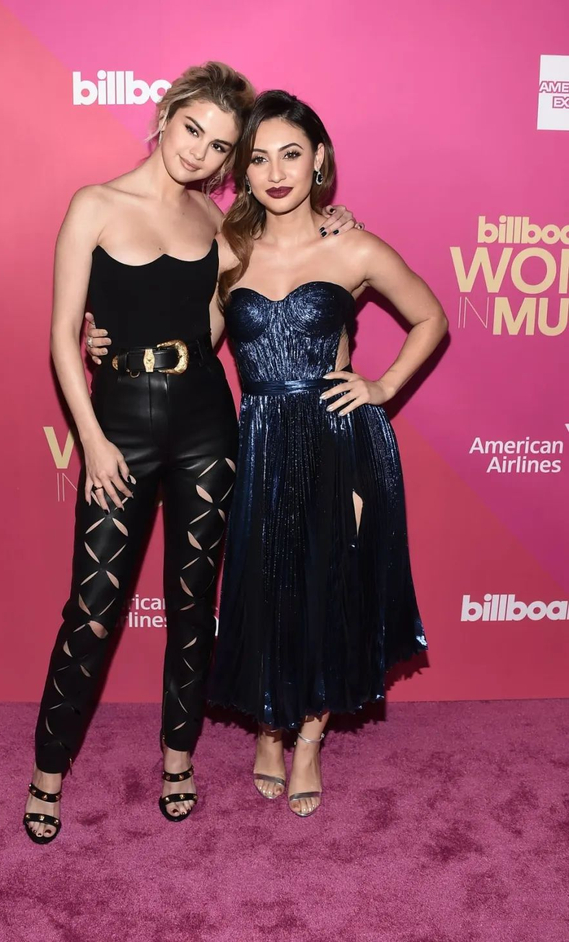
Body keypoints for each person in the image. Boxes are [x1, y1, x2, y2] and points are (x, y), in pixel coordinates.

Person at [86, 90, 446, 820]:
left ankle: (309, 736)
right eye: (257, 158)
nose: (275, 173)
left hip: (337, 438)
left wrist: (380, 387)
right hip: (257, 442)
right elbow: (189, 336)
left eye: (291, 155)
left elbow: (431, 317)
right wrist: (106, 338)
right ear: (242, 171)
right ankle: (269, 728)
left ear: (319, 161)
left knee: (328, 586)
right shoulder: (230, 248)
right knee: (267, 586)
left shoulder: (354, 247)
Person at [24, 64, 356, 844]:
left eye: (219, 147)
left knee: (191, 607)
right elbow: (63, 338)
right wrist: (93, 439)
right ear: (166, 115)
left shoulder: (219, 222)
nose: (200, 153)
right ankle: (47, 773)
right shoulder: (94, 204)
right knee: (92, 610)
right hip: (118, 426)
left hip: (206, 421)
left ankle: (179, 759)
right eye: (193, 130)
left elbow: (230, 314)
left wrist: (337, 223)